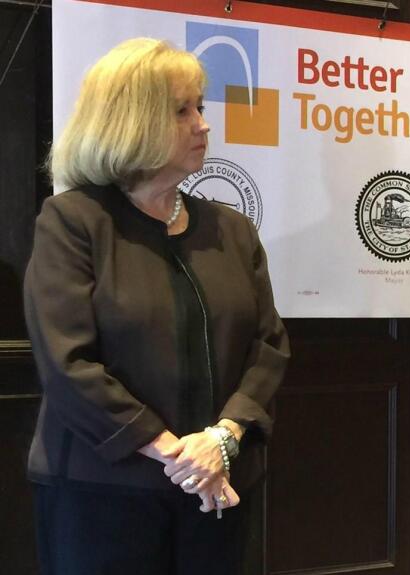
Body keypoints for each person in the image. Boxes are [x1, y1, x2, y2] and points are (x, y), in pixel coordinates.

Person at [24, 38, 290, 574]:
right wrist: (179, 455)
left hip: (219, 488)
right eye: (181, 110)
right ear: (131, 122)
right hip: (103, 496)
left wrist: (222, 439)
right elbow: (68, 364)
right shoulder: (73, 222)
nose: (203, 124)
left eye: (201, 107)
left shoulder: (231, 230)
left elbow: (268, 347)